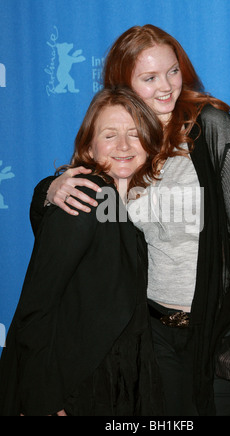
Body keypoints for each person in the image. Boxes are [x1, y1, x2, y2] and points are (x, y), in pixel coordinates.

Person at [29, 25, 230, 416]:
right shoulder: (128, 138)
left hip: (214, 330)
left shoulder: (212, 128)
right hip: (151, 334)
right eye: (149, 77)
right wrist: (49, 188)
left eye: (173, 71)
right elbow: (82, 187)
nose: (166, 87)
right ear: (123, 84)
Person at [0, 86, 165, 416]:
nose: (123, 146)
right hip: (76, 389)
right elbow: (37, 306)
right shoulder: (84, 199)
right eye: (109, 135)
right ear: (89, 145)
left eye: (134, 134)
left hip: (120, 380)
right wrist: (44, 402)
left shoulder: (128, 204)